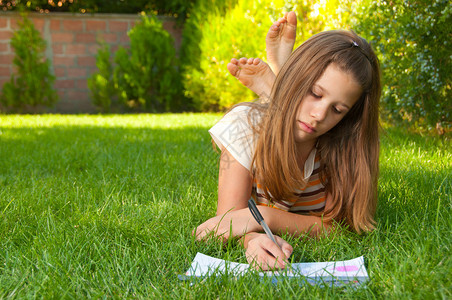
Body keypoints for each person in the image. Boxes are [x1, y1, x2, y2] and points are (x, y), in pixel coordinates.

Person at [194, 11, 381, 271]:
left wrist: (264, 217)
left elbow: (338, 228)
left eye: (338, 110)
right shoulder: (245, 127)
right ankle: (278, 87)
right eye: (315, 93)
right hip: (263, 130)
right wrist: (251, 241)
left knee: (287, 120)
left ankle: (277, 87)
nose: (319, 115)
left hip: (282, 123)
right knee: (271, 124)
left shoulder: (341, 145)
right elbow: (227, 220)